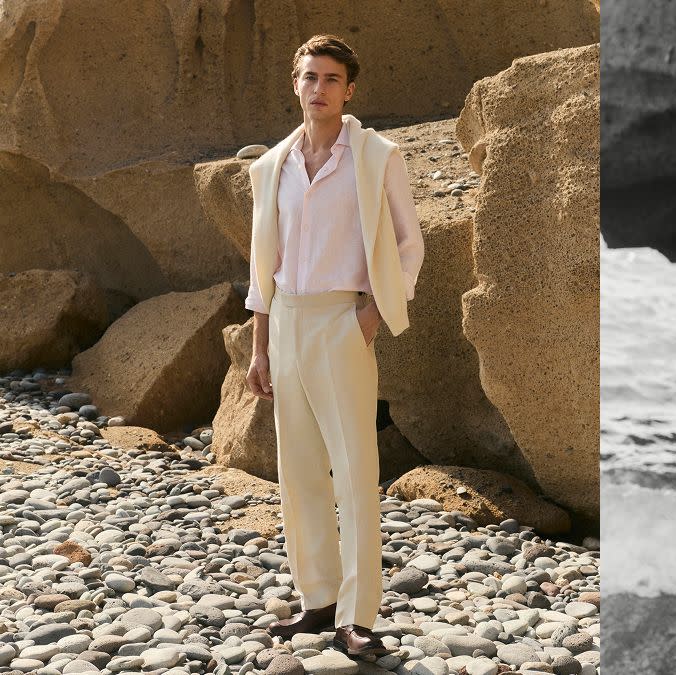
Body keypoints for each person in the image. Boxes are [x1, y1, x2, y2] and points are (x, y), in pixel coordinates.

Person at [242, 34, 424, 657]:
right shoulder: (271, 167)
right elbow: (263, 267)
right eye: (309, 77)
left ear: (350, 90)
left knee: (354, 471)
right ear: (295, 83)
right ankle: (317, 600)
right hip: (285, 322)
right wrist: (259, 349)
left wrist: (372, 316)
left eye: (331, 79)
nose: (318, 89)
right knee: (298, 473)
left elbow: (409, 244)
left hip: (342, 321)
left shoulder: (377, 156)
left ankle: (358, 616)